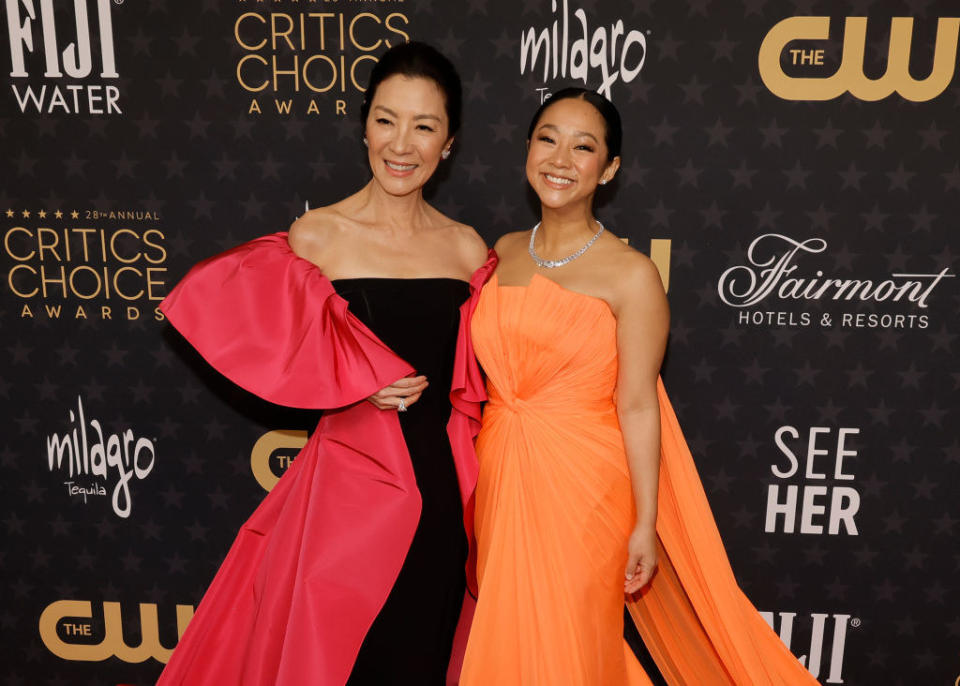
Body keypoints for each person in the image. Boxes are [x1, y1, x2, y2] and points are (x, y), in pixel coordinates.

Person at [156, 42, 492, 686]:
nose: (402, 143)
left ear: (448, 143)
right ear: (364, 125)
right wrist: (352, 382)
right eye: (387, 119)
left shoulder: (465, 246)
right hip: (348, 492)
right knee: (337, 659)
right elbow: (262, 345)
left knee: (422, 656)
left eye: (425, 126)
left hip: (444, 498)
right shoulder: (318, 237)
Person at [460, 88, 819, 685]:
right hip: (500, 471)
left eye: (584, 147)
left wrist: (646, 521)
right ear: (527, 149)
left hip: (586, 486)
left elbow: (638, 404)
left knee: (571, 640)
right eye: (548, 138)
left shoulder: (632, 275)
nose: (561, 158)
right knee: (512, 639)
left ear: (610, 169)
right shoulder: (501, 253)